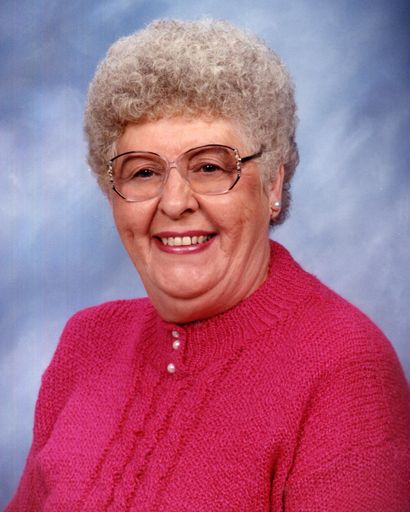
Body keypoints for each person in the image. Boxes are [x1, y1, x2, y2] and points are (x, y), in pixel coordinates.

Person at [7, 19, 409, 511]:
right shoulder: (86, 344)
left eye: (210, 167)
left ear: (273, 183)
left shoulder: (346, 369)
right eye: (144, 172)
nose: (175, 202)